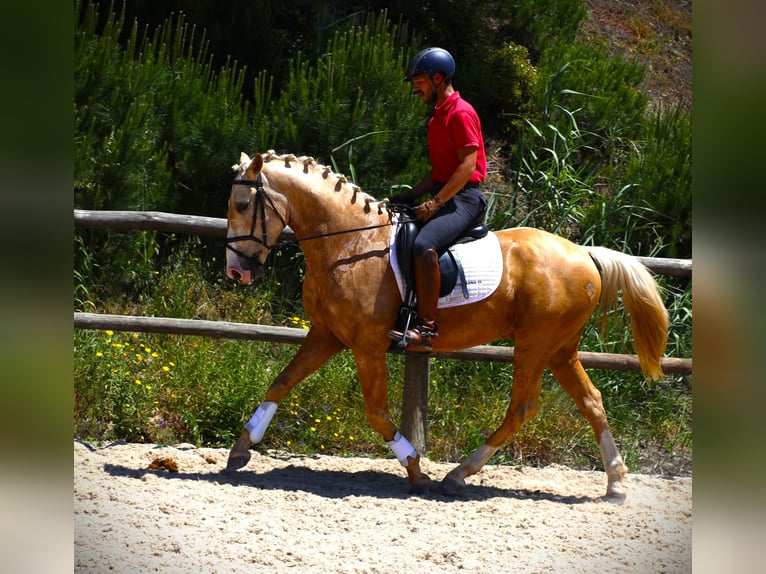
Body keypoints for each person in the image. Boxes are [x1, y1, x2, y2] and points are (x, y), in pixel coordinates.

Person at [387, 47, 488, 350]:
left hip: (465, 199)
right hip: (446, 192)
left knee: (423, 245)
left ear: (439, 77)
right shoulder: (437, 117)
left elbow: (468, 165)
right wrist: (410, 195)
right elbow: (439, 172)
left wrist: (435, 203)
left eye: (420, 80)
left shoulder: (461, 112)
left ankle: (426, 328)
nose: (415, 86)